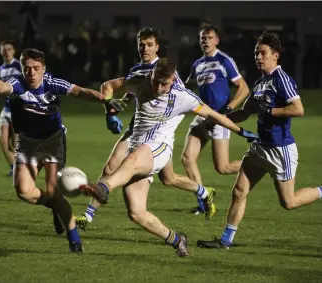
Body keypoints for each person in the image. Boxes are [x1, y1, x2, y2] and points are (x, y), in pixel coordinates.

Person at [79, 58, 259, 257]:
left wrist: (240, 131)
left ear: (173, 79)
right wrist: (109, 106)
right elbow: (110, 85)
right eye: (155, 80)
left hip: (159, 146)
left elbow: (213, 115)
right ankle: (176, 239)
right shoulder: (141, 80)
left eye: (163, 83)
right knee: (137, 213)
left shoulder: (183, 96)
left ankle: (104, 188)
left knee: (129, 163)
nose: (158, 87)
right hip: (138, 148)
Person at [0, 48, 125, 253]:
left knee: (53, 190)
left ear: (44, 69)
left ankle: (74, 238)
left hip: (53, 142)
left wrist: (104, 101)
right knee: (24, 191)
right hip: (27, 143)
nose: (32, 73)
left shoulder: (52, 83)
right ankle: (56, 206)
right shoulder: (18, 84)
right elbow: (3, 88)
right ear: (22, 69)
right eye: (27, 69)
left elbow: (81, 92)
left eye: (36, 68)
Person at [76, 27, 216, 231]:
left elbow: (181, 99)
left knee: (114, 167)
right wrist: (113, 109)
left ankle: (88, 215)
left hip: (157, 135)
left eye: (149, 44)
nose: (144, 48)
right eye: (141, 44)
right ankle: (204, 192)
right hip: (140, 130)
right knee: (168, 178)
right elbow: (131, 92)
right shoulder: (137, 69)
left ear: (157, 47)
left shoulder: (166, 72)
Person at [196, 31, 322, 249]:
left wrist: (271, 110)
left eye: (263, 53)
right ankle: (225, 240)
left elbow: (298, 109)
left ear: (275, 55)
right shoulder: (261, 82)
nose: (258, 57)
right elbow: (244, 113)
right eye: (256, 54)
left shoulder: (282, 79)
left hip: (280, 149)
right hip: (259, 148)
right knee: (238, 191)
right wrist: (218, 120)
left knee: (288, 202)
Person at [182, 23, 250, 214]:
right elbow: (185, 87)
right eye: (202, 37)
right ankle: (204, 200)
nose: (205, 40)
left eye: (209, 37)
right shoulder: (197, 64)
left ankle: (262, 164)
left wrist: (228, 109)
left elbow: (244, 88)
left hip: (219, 117)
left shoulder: (224, 60)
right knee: (188, 158)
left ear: (217, 40)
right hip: (203, 115)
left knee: (224, 167)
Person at [0, 40, 22, 177]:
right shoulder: (1, 68)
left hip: (18, 108)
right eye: (4, 49)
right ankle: (14, 168)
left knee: (15, 142)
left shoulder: (19, 65)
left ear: (14, 51)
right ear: (1, 51)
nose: (6, 51)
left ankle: (21, 169)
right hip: (7, 107)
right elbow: (3, 88)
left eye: (9, 49)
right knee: (2, 140)